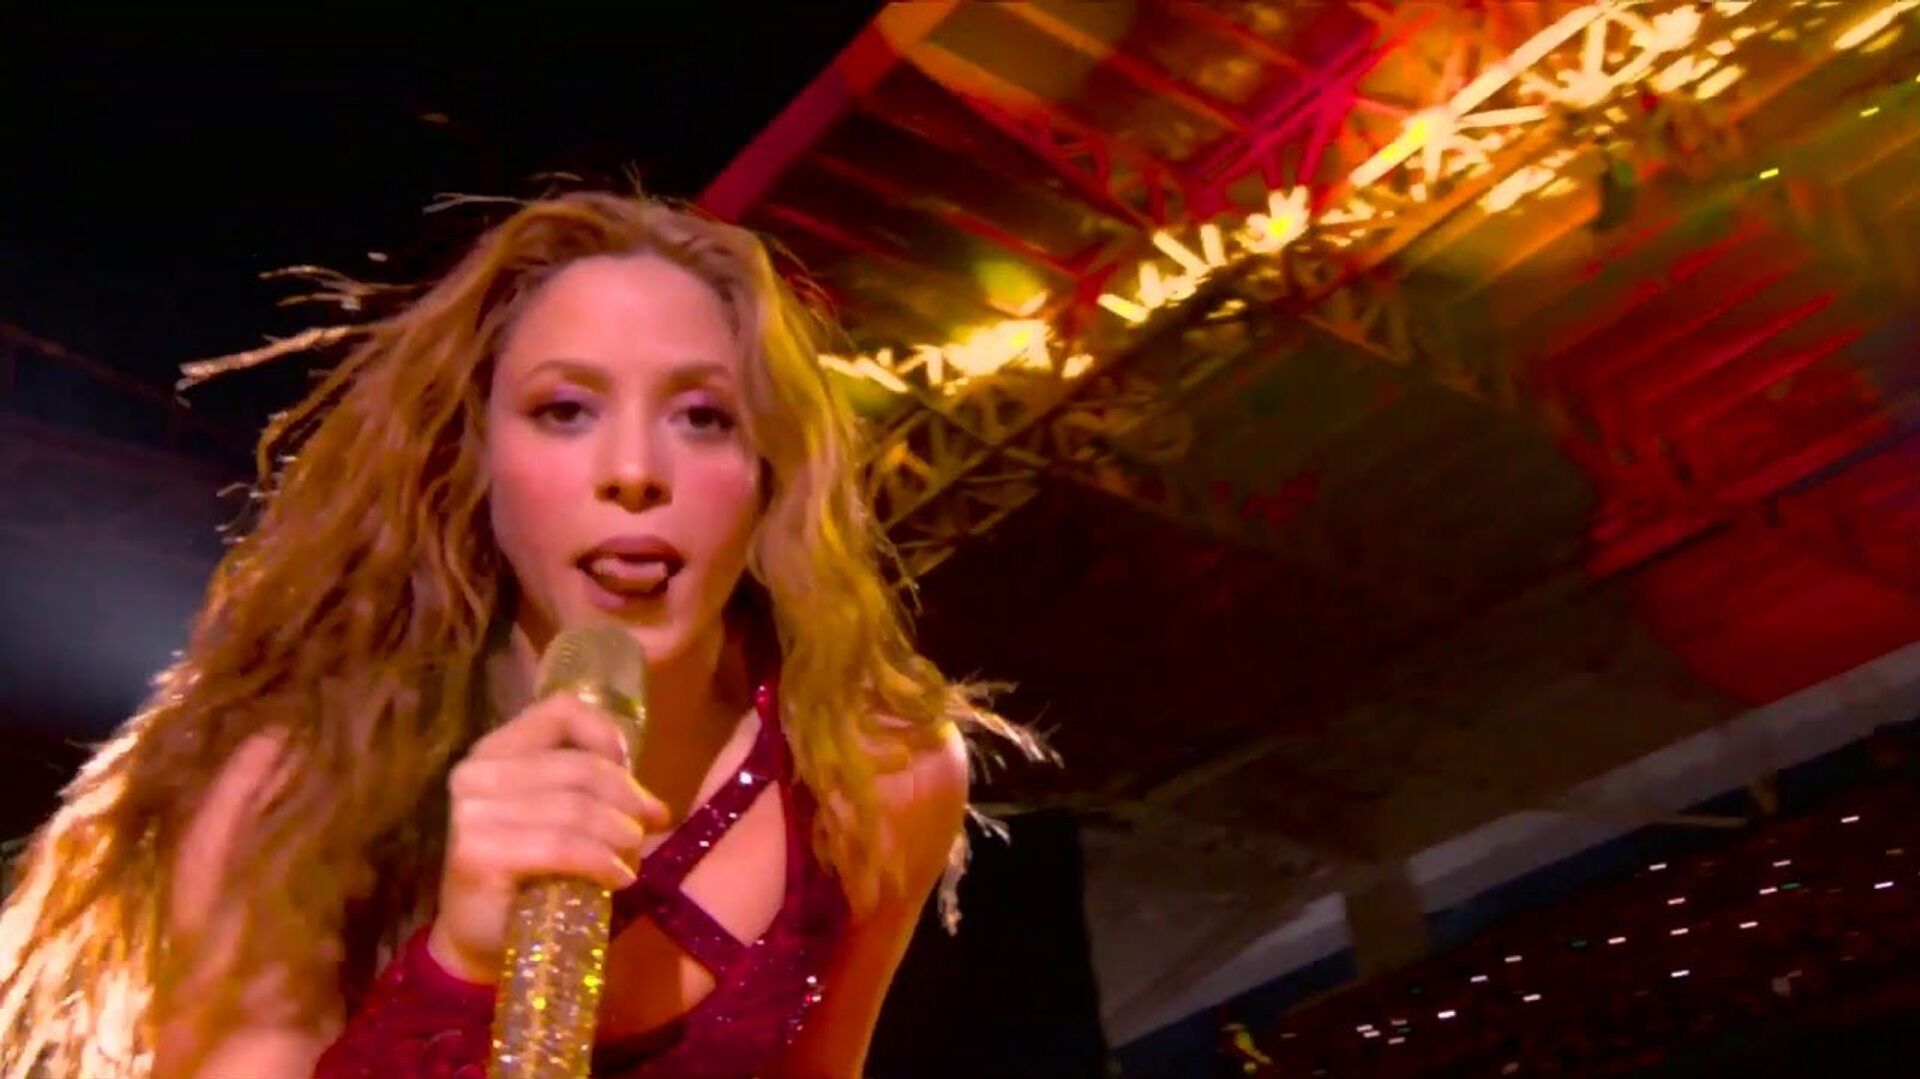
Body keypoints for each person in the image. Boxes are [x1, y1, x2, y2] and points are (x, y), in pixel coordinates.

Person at [0, 191, 1045, 1078]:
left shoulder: (876, 777)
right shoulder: (286, 790)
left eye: (702, 416)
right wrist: (459, 968)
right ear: (477, 462)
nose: (633, 470)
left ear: (769, 471)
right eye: (564, 410)